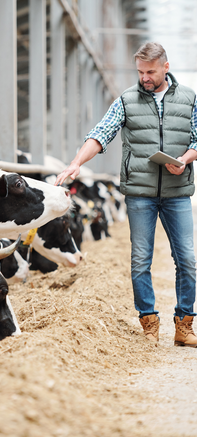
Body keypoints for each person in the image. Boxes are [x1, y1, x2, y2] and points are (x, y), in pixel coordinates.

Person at [55, 42, 197, 346]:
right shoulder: (127, 100)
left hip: (177, 192)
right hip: (140, 194)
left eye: (150, 71)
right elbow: (101, 133)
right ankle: (149, 324)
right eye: (140, 72)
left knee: (187, 258)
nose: (144, 77)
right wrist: (76, 162)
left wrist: (185, 159)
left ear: (165, 68)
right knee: (140, 259)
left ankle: (184, 326)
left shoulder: (189, 98)